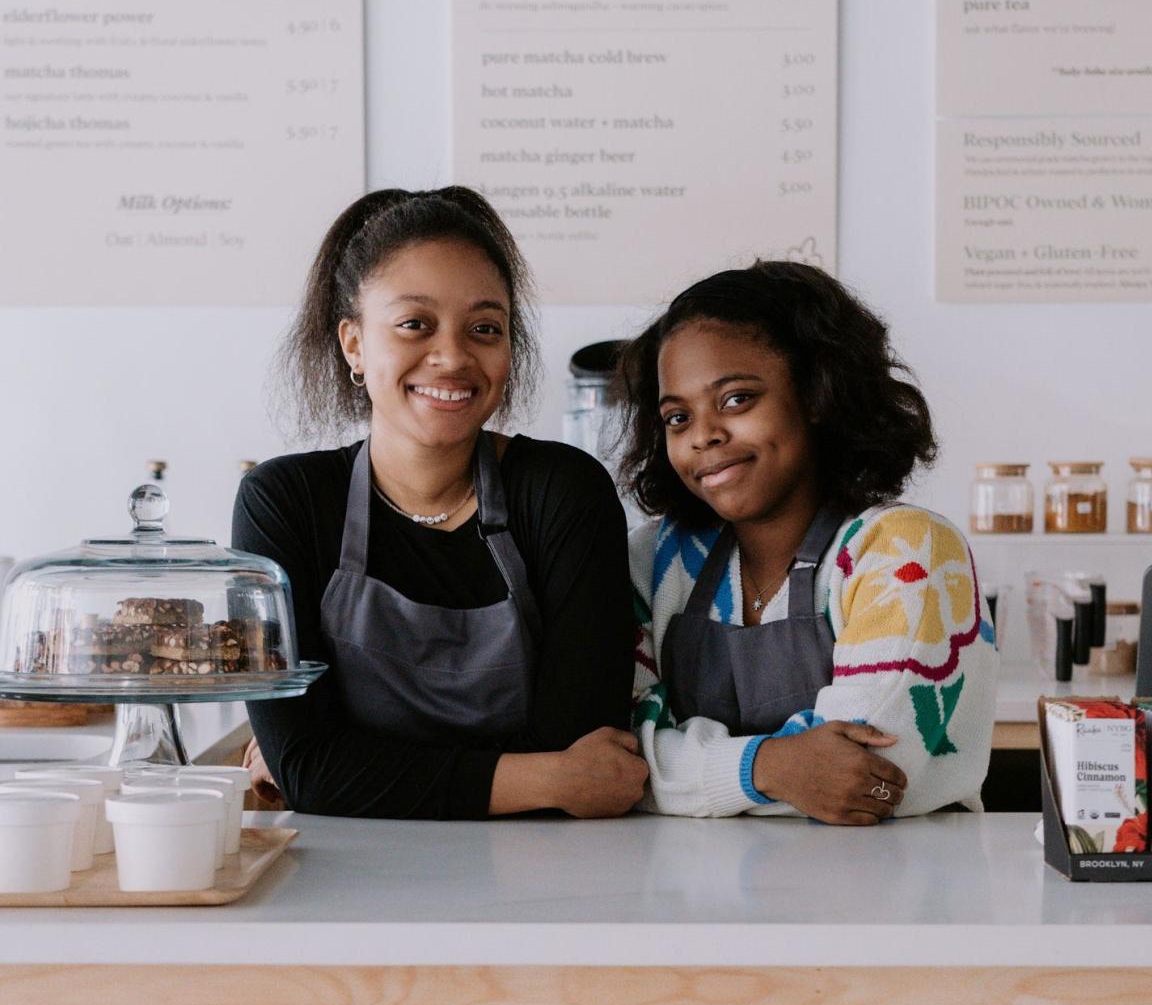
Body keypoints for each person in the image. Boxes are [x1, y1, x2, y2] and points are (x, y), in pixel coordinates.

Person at [232, 186, 646, 819]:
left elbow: (583, 748)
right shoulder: (285, 503)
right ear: (354, 344)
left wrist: (348, 767)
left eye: (485, 328)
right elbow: (309, 767)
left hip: (545, 876)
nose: (452, 356)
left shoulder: (563, 491)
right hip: (344, 882)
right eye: (414, 324)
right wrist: (547, 779)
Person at [616, 261, 998, 823]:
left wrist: (693, 776)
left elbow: (863, 776)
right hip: (698, 895)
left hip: (891, 888)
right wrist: (769, 768)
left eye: (736, 399)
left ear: (818, 393)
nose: (704, 435)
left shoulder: (908, 551)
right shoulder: (652, 561)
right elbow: (620, 766)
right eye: (677, 417)